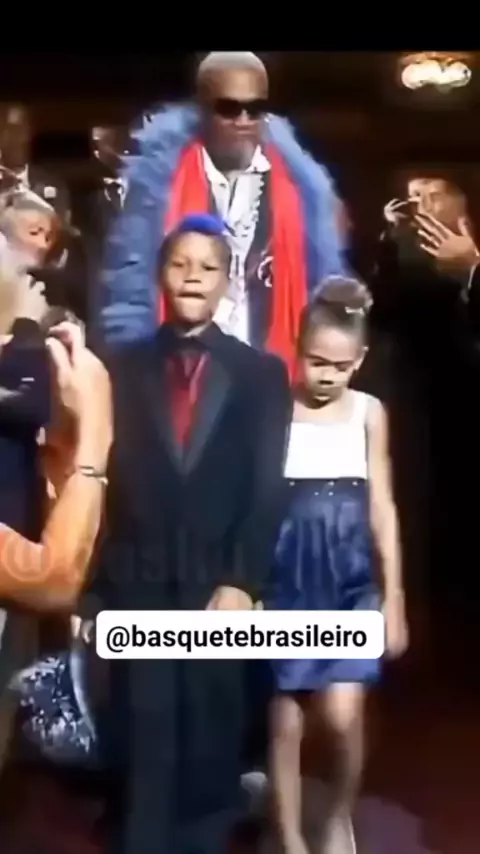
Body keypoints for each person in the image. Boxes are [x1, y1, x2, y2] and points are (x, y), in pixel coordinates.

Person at [91, 213, 291, 854]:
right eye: (180, 264)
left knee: (210, 730)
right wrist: (93, 592)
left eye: (207, 267)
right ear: (161, 275)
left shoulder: (261, 375)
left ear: (227, 281)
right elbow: (99, 480)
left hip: (217, 585)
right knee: (143, 734)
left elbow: (267, 485)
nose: (193, 277)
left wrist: (242, 579)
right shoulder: (121, 368)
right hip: (138, 579)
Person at [268, 278, 408, 854]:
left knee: (344, 716)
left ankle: (337, 814)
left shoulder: (370, 414)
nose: (327, 376)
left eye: (341, 366)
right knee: (286, 719)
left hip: (351, 580)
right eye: (316, 361)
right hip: (288, 576)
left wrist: (394, 596)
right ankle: (288, 835)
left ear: (361, 360)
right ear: (297, 349)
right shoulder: (277, 411)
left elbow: (382, 506)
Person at [98, 51, 345, 372]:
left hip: (271, 367)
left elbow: (320, 288)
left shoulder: (300, 190)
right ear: (202, 110)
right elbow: (133, 290)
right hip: (183, 369)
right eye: (229, 109)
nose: (243, 121)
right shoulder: (159, 188)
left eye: (255, 109)